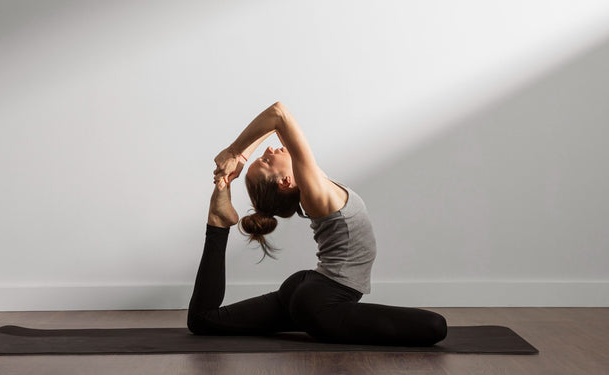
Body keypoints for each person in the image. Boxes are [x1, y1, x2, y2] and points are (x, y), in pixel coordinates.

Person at [187, 102, 447, 346]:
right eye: (266, 162)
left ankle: (218, 222)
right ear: (286, 181)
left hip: (309, 289)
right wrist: (235, 153)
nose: (268, 150)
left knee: (204, 320)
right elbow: (278, 114)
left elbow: (276, 125)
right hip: (323, 303)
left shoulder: (314, 184)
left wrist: (241, 157)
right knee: (436, 326)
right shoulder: (314, 190)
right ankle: (218, 219)